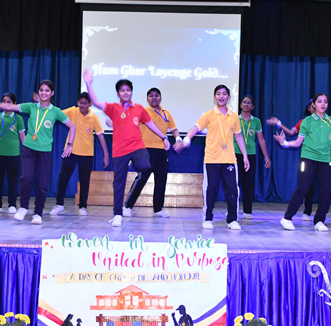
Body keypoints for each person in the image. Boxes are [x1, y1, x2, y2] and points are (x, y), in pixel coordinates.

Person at [83, 69, 171, 227]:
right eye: (122, 90)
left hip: (137, 147)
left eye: (128, 90)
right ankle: (118, 214)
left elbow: (151, 124)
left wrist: (164, 137)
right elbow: (95, 102)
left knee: (146, 166)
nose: (125, 92)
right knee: (119, 182)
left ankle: (135, 167)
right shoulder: (113, 108)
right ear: (118, 93)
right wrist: (88, 84)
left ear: (131, 92)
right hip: (120, 150)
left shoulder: (139, 108)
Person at [0, 80, 76, 225]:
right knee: (26, 178)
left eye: (47, 90)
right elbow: (9, 106)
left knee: (42, 183)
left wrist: (70, 145)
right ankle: (23, 207)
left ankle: (38, 213)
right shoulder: (31, 107)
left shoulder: (55, 111)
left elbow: (72, 127)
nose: (43, 93)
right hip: (29, 149)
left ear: (52, 93)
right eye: (41, 90)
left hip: (45, 152)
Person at [274, 93, 331, 232]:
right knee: (303, 188)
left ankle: (319, 221)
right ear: (314, 105)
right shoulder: (307, 121)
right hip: (308, 158)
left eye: (325, 102)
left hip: (325, 160)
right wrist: (285, 143)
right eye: (319, 101)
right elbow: (298, 142)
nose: (323, 104)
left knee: (325, 191)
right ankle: (287, 218)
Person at [175, 84, 250, 230]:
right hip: (212, 159)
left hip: (229, 159)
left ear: (229, 97)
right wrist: (186, 141)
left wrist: (245, 156)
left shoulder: (234, 116)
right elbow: (194, 129)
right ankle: (207, 218)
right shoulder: (209, 115)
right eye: (218, 94)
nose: (221, 96)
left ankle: (232, 220)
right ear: (215, 97)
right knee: (211, 189)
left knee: (232, 190)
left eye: (224, 94)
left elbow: (239, 136)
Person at [123, 88, 182, 219]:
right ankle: (127, 206)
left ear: (160, 97)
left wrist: (178, 139)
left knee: (161, 180)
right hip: (146, 150)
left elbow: (174, 130)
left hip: (162, 151)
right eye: (151, 96)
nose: (154, 98)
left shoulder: (166, 113)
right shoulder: (142, 111)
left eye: (156, 96)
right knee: (141, 178)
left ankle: (158, 209)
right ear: (147, 98)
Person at [49, 92, 109, 216]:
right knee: (63, 177)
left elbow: (101, 136)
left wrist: (106, 155)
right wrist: (46, 104)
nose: (82, 105)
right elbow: (57, 113)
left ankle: (83, 206)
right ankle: (59, 204)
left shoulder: (94, 117)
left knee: (84, 180)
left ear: (90, 104)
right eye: (80, 103)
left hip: (87, 153)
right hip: (70, 150)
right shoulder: (73, 111)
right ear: (77, 103)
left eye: (85, 103)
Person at [235, 95, 271, 220]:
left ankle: (247, 211)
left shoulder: (256, 121)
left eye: (249, 103)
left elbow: (261, 139)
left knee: (248, 183)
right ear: (240, 105)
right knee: (234, 183)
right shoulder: (235, 119)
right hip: (235, 154)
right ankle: (232, 210)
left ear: (253, 107)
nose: (246, 104)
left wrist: (266, 157)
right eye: (244, 102)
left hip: (250, 155)